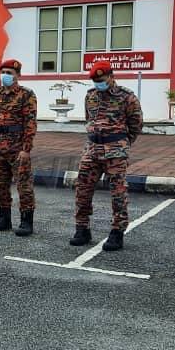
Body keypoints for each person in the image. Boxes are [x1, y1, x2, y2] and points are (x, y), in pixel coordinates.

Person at [70, 60, 143, 251]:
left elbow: (136, 125)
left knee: (118, 192)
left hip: (115, 151)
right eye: (95, 80)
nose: (98, 83)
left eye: (101, 79)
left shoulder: (127, 97)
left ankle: (117, 232)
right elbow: (89, 119)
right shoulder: (90, 96)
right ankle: (82, 229)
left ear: (111, 76)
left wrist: (122, 143)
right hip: (92, 148)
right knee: (82, 189)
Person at [0, 59, 38, 236]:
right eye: (3, 72)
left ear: (17, 75)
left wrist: (26, 149)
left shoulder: (26, 95)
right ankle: (4, 218)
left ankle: (26, 221)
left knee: (24, 185)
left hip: (17, 147)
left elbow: (30, 123)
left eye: (9, 73)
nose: (5, 76)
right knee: (1, 184)